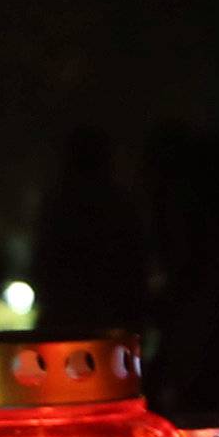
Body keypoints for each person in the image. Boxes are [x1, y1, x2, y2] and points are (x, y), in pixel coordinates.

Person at [30, 125, 149, 336]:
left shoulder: (59, 206)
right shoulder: (120, 205)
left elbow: (43, 263)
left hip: (68, 318)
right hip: (110, 320)